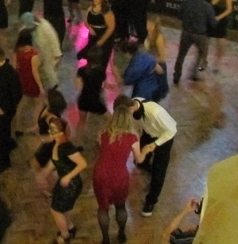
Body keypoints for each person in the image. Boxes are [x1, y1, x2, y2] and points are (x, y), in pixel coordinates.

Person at [93, 95, 149, 244]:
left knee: (103, 209)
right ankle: (121, 234)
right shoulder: (132, 137)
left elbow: (101, 150)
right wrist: (147, 149)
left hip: (100, 174)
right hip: (119, 176)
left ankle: (105, 240)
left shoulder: (102, 133)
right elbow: (139, 160)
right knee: (120, 206)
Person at [128, 97, 177, 217]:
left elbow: (172, 130)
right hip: (148, 133)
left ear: (132, 107)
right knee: (140, 161)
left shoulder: (156, 112)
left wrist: (154, 145)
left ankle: (151, 201)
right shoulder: (135, 104)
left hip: (163, 138)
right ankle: (147, 167)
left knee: (159, 170)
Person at [41, 116, 87, 244]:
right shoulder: (57, 143)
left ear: (61, 132)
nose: (49, 132)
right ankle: (70, 228)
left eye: (53, 130)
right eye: (50, 129)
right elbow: (56, 162)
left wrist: (68, 176)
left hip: (71, 184)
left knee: (55, 210)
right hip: (63, 182)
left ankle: (65, 237)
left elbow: (83, 164)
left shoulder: (67, 147)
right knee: (63, 208)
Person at [0, 45, 23, 173]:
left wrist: (5, 109)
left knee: (1, 133)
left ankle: (4, 161)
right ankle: (9, 143)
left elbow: (17, 94)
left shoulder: (10, 74)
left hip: (4, 110)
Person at [173, 0, 217, 84]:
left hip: (186, 32)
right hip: (200, 35)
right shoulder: (207, 6)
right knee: (201, 53)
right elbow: (213, 23)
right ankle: (194, 73)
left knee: (181, 54)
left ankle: (177, 75)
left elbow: (179, 16)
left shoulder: (186, 3)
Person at [19, 12, 61, 91]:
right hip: (36, 51)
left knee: (48, 69)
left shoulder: (45, 26)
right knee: (37, 69)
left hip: (47, 51)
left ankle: (55, 86)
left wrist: (57, 54)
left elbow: (53, 40)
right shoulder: (25, 28)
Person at [12, 28, 43, 135]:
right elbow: (35, 72)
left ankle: (18, 126)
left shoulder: (17, 51)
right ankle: (35, 126)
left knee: (22, 104)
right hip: (32, 82)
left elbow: (15, 66)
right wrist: (40, 87)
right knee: (38, 104)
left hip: (22, 80)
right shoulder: (33, 55)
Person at [205, 0, 234, 72]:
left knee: (220, 45)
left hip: (221, 22)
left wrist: (218, 17)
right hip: (209, 22)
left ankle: (216, 64)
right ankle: (203, 61)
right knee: (204, 44)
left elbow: (229, 9)